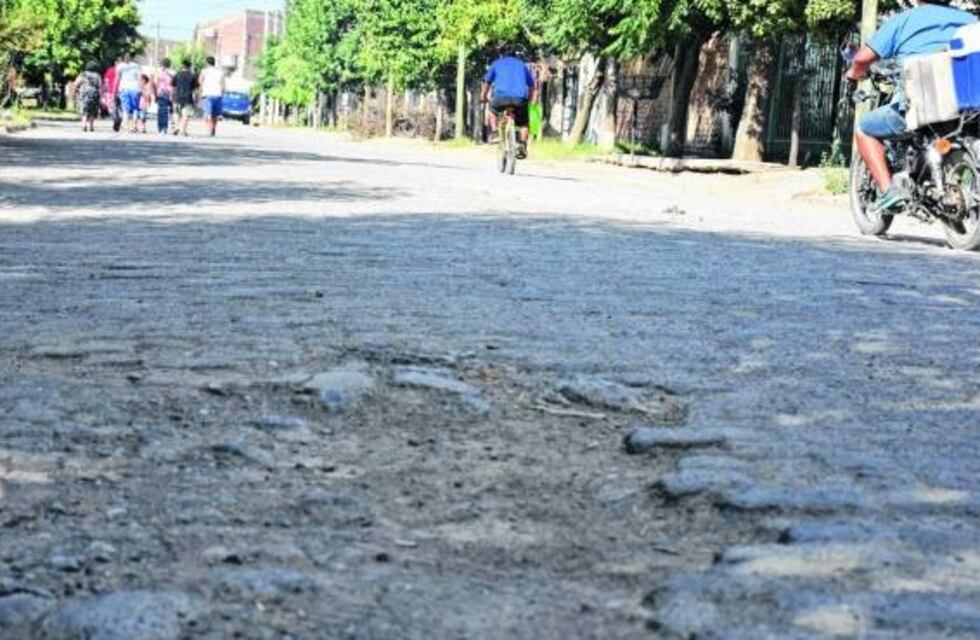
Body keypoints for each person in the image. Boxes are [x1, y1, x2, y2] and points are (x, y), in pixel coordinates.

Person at [846, 0, 976, 213]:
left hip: (919, 105)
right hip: (963, 105)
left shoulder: (903, 21)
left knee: (864, 128)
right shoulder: (970, 21)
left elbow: (862, 59)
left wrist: (854, 73)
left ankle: (889, 191)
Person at [480, 52, 536, 159]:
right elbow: (532, 85)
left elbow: (487, 81)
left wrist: (483, 95)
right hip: (519, 99)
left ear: (503, 56)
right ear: (516, 57)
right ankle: (522, 144)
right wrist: (528, 100)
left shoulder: (497, 63)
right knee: (524, 123)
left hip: (500, 99)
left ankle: (495, 133)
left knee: (492, 109)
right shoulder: (522, 65)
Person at [71, 61, 102, 133]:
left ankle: (84, 125)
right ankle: (91, 126)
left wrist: (74, 92)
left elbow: (76, 83)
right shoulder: (97, 75)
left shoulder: (83, 74)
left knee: (84, 109)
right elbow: (101, 86)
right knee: (93, 110)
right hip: (94, 93)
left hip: (84, 93)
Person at [115, 53, 142, 133]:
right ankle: (134, 126)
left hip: (124, 88)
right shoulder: (137, 66)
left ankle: (126, 126)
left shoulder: (120, 66)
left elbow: (118, 78)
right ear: (131, 58)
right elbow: (139, 78)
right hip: (135, 88)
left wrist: (115, 89)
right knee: (135, 109)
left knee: (125, 109)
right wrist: (141, 89)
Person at [199, 56, 225, 137]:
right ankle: (213, 129)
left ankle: (209, 130)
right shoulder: (220, 72)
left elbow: (200, 81)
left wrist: (202, 89)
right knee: (215, 115)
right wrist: (222, 93)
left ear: (206, 63)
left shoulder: (204, 71)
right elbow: (223, 85)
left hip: (207, 95)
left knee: (208, 114)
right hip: (217, 95)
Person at [173, 59, 197, 136]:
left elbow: (173, 85)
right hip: (188, 97)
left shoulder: (177, 74)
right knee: (185, 115)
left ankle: (177, 126)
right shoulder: (192, 75)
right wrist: (196, 99)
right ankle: (183, 130)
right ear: (189, 66)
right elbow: (195, 88)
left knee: (176, 112)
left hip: (177, 96)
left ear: (182, 65)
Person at [155, 58, 175, 135]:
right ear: (169, 64)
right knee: (172, 111)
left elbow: (155, 83)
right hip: (171, 93)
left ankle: (162, 128)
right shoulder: (173, 72)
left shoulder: (158, 72)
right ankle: (173, 127)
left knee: (161, 111)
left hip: (161, 93)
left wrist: (155, 94)